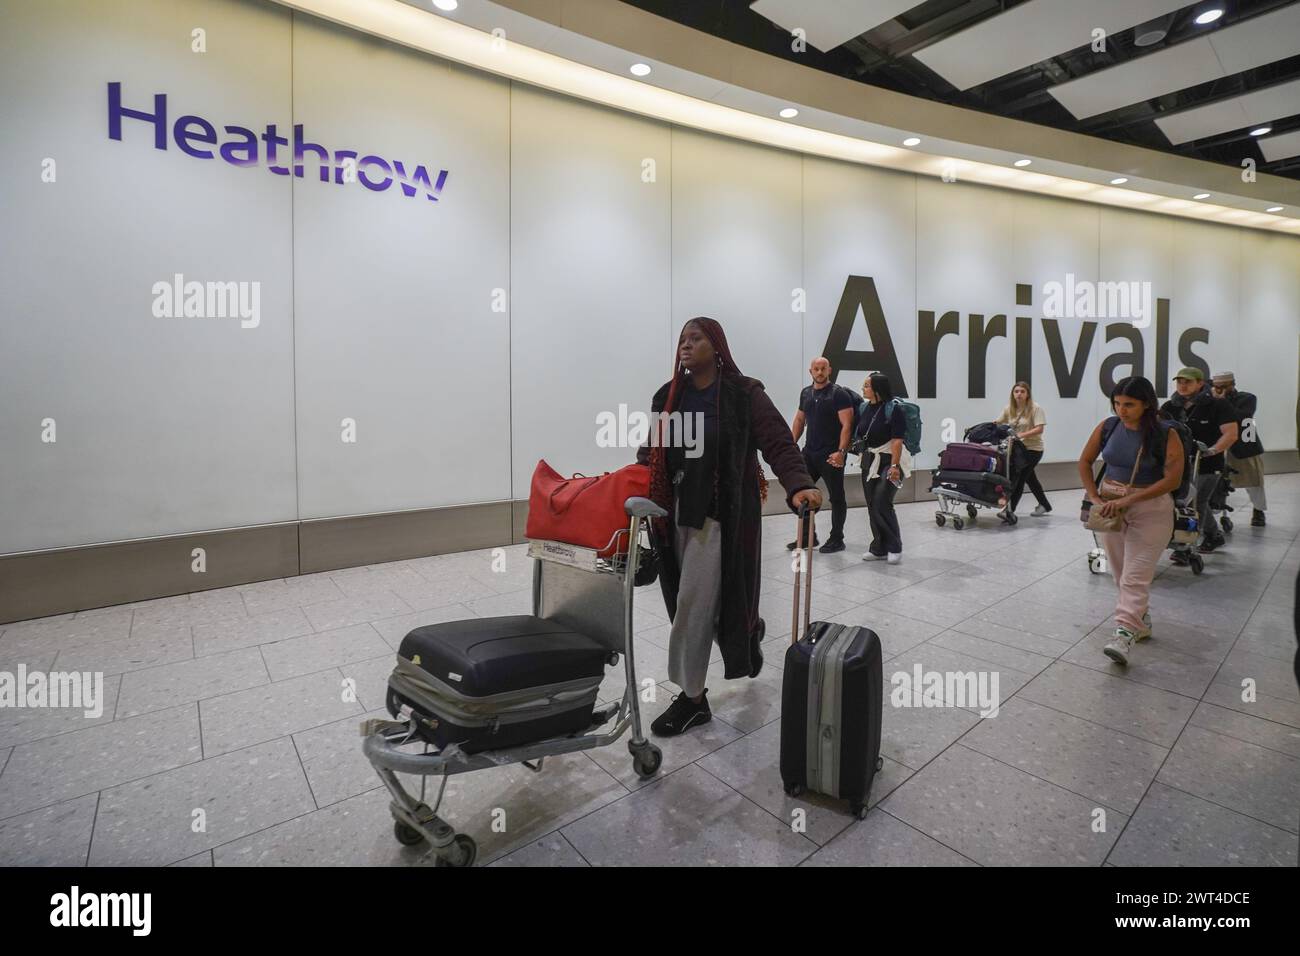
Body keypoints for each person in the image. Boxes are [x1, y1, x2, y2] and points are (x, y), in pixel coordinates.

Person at [637, 317, 822, 737]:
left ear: (716, 346)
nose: (685, 345)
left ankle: (692, 699)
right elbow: (651, 453)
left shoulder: (744, 394)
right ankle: (748, 628)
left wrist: (799, 484)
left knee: (692, 605)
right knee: (690, 601)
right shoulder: (668, 396)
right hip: (673, 516)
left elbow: (778, 441)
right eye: (682, 339)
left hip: (720, 516)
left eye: (695, 338)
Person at [1079, 376, 1184, 667]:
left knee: (1135, 576)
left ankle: (1123, 634)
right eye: (1117, 403)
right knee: (1120, 573)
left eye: (1129, 404)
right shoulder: (1108, 427)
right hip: (1111, 507)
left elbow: (1172, 479)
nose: (1121, 410)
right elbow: (1085, 461)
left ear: (1147, 404)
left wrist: (1129, 500)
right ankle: (1141, 619)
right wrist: (1095, 497)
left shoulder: (1166, 433)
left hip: (1151, 509)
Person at [1159, 367, 1238, 556]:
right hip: (1177, 465)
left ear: (1200, 383)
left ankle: (1185, 545)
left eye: (1188, 382)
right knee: (1196, 502)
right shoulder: (1170, 407)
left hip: (1207, 464)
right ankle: (1213, 534)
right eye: (1180, 382)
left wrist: (1212, 450)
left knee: (1192, 502)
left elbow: (1231, 434)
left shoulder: (1218, 406)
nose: (1183, 386)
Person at [788, 357, 856, 553]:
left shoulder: (839, 394)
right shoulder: (806, 393)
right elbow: (800, 420)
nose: (819, 372)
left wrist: (841, 452)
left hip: (831, 455)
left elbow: (847, 425)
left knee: (836, 497)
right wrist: (790, 445)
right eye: (816, 369)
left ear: (829, 370)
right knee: (802, 494)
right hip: (809, 453)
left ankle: (837, 538)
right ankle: (809, 537)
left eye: (823, 369)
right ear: (811, 372)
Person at [851, 372, 910, 565]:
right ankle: (879, 548)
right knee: (871, 504)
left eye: (867, 386)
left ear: (877, 389)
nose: (863, 389)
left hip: (890, 460)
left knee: (882, 502)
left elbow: (897, 440)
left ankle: (894, 546)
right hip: (869, 460)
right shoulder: (864, 407)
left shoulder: (894, 409)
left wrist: (894, 466)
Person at [1211, 372, 1267, 527]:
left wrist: (1222, 402)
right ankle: (1213, 510)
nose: (1220, 390)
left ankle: (1259, 510)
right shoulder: (1210, 399)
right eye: (1217, 387)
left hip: (1244, 446)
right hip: (1220, 444)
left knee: (1254, 482)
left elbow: (1242, 417)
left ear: (1232, 384)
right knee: (1215, 482)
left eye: (1224, 387)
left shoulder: (1247, 398)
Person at [996, 381, 1051, 516]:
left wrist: (1020, 435)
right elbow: (998, 422)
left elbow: (1039, 429)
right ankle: (1044, 505)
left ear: (1027, 394)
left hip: (1033, 450)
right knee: (1030, 479)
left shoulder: (1035, 408)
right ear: (1013, 394)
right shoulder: (1009, 409)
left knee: (1019, 479)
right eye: (1016, 391)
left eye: (1022, 391)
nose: (1019, 394)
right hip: (1018, 450)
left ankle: (1009, 511)